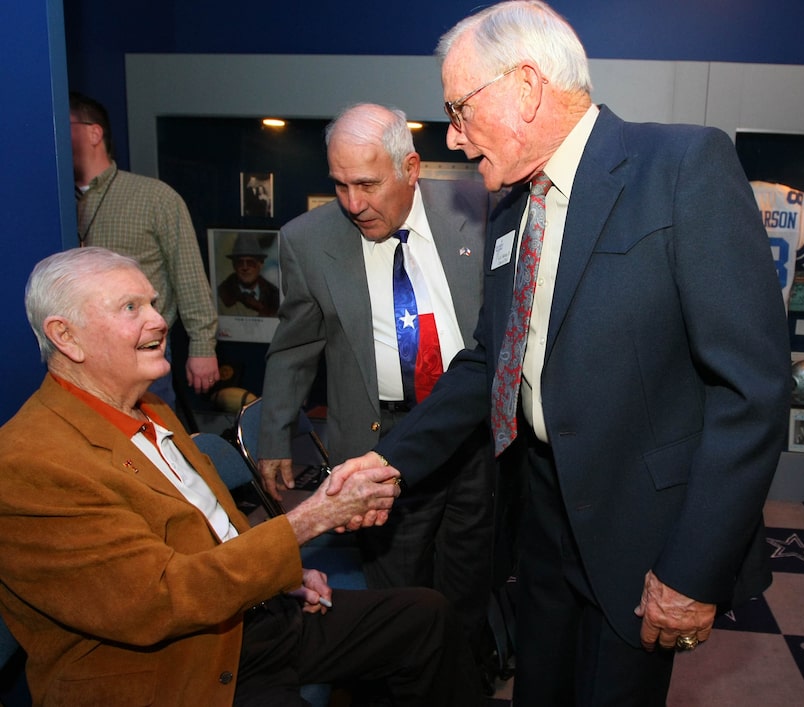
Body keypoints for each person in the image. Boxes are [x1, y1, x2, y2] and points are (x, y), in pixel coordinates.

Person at [329, 3, 793, 705]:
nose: (453, 136)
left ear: (524, 85)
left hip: (644, 543)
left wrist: (695, 569)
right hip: (542, 527)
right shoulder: (514, 205)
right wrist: (394, 456)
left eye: (458, 108)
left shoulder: (681, 165)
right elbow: (493, 358)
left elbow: (750, 391)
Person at [0, 246, 481, 707]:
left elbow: (213, 530)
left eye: (152, 302)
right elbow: (158, 600)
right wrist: (310, 520)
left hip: (247, 619)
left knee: (426, 617)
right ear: (65, 336)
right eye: (130, 307)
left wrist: (275, 579)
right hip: (175, 668)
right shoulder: (29, 464)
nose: (158, 321)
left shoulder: (150, 408)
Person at [257, 103, 496, 665]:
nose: (353, 204)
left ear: (410, 168)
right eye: (339, 185)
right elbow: (294, 346)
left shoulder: (480, 213)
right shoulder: (307, 240)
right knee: (400, 591)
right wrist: (274, 435)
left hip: (469, 435)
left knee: (467, 580)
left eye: (367, 183)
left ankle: (458, 676)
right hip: (379, 440)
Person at [70, 91, 219, 407]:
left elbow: (188, 277)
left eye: (66, 123)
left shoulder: (154, 198)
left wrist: (203, 347)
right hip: (75, 356)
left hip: (142, 356)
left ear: (94, 132)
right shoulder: (50, 200)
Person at [218, 232, 280, 317]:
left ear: (260, 264)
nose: (245, 267)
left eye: (250, 263)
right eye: (240, 262)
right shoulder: (222, 295)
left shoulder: (274, 295)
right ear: (234, 265)